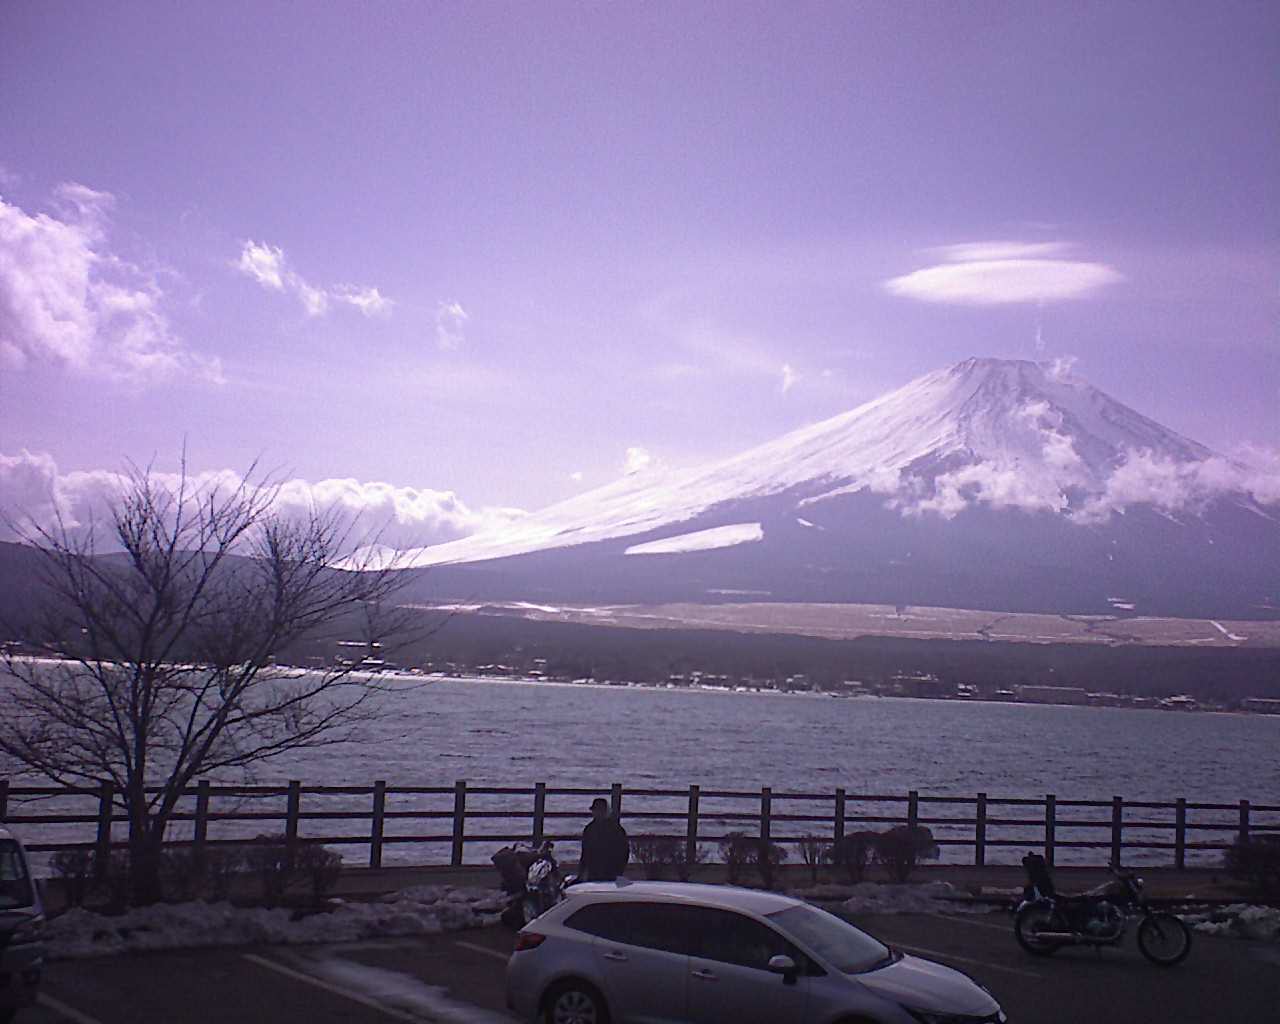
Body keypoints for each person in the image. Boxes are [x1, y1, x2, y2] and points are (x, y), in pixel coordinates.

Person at [578, 797, 629, 881]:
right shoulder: (590, 829)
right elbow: (585, 852)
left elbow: (624, 852)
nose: (596, 813)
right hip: (596, 871)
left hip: (610, 871)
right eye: (595, 811)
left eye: (599, 810)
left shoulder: (615, 829)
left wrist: (619, 870)